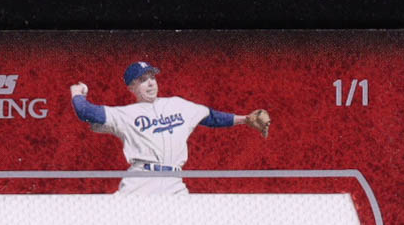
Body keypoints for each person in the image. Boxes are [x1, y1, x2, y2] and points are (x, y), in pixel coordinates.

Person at [70, 61, 270, 195]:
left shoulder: (178, 105)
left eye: (152, 77)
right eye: (142, 80)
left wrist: (245, 119)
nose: (150, 83)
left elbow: (211, 117)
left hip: (174, 182)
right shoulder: (124, 114)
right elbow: (85, 111)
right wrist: (77, 93)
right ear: (131, 87)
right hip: (140, 181)